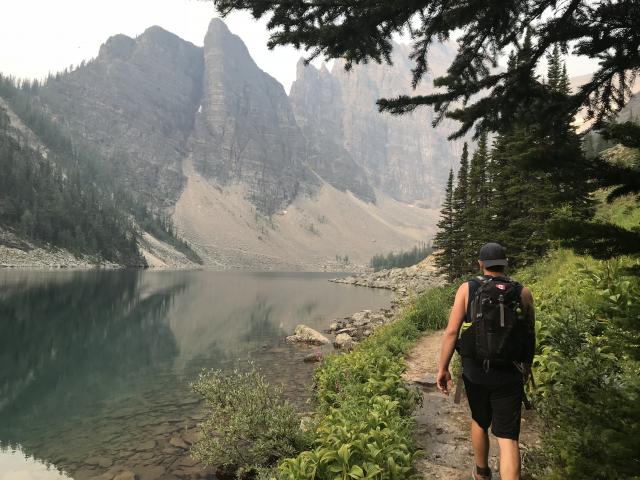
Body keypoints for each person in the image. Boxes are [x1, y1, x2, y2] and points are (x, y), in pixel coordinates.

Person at [436, 242, 535, 480]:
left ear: (481, 264)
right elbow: (530, 334)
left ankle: (482, 472)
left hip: (475, 371)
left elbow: (452, 332)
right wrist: (527, 367)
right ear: (504, 263)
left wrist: (443, 368)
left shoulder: (467, 289)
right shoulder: (522, 292)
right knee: (508, 437)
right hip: (510, 372)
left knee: (480, 421)